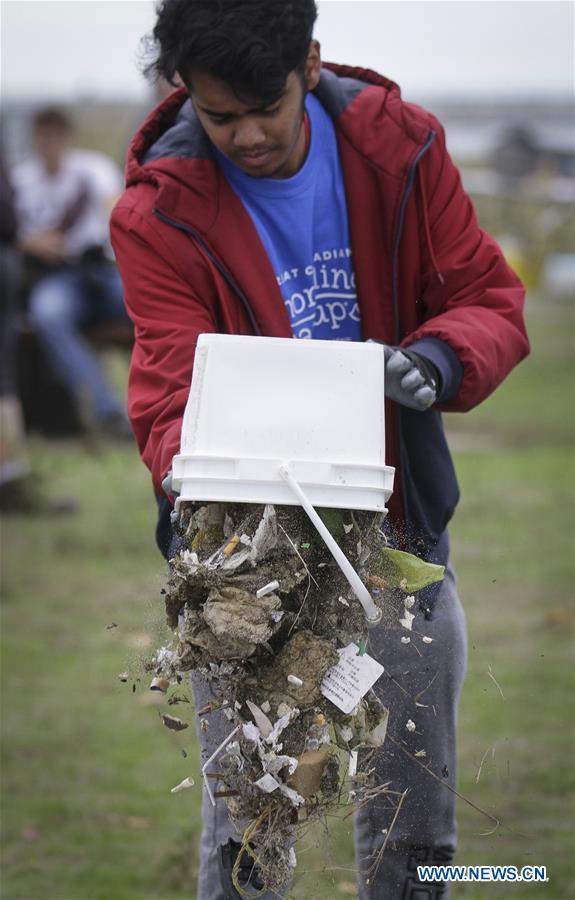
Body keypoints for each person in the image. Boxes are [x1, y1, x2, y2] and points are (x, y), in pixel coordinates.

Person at [110, 2, 530, 897]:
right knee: (249, 827)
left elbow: (486, 297)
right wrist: (185, 462)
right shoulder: (158, 210)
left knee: (417, 816)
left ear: (309, 60)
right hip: (244, 566)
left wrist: (438, 357)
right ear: (184, 91)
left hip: (396, 537)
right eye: (220, 116)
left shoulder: (401, 148)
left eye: (265, 104)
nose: (249, 135)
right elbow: (165, 385)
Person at [12, 107, 132, 438]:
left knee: (150, 305)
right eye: (43, 136)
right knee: (46, 313)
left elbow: (116, 207)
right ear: (34, 139)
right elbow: (11, 232)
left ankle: (163, 403)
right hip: (57, 277)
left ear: (67, 137)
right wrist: (34, 243)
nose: (49, 143)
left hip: (102, 271)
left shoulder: (91, 169)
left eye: (56, 135)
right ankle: (106, 411)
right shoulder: (21, 179)